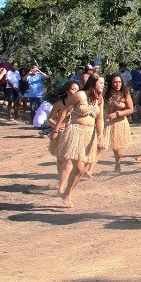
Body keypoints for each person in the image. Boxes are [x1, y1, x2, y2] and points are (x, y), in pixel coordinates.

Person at [53, 73, 105, 207]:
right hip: (75, 131)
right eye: (101, 83)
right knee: (80, 167)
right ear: (94, 83)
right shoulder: (80, 95)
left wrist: (100, 135)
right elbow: (64, 111)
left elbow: (99, 119)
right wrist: (56, 129)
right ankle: (66, 193)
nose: (103, 86)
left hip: (89, 134)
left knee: (81, 170)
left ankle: (68, 193)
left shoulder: (99, 99)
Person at [46, 81, 80, 193]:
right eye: (73, 89)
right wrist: (56, 126)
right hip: (61, 134)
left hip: (74, 133)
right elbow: (50, 118)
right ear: (67, 90)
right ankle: (61, 182)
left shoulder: (80, 104)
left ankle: (62, 186)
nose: (76, 91)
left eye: (77, 89)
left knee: (68, 160)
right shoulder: (59, 104)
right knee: (60, 160)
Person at [99, 73, 134, 174]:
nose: (117, 84)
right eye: (115, 82)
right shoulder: (106, 93)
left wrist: (118, 113)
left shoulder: (125, 93)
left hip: (119, 122)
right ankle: (89, 169)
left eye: (119, 82)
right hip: (106, 121)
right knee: (101, 144)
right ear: (111, 83)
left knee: (116, 146)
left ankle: (117, 166)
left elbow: (131, 109)